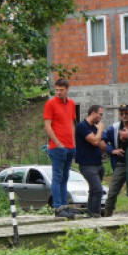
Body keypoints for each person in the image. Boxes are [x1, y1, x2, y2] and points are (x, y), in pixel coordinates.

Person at [43, 78, 78, 218]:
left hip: (70, 146)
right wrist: (58, 143)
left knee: (65, 177)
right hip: (57, 147)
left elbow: (72, 124)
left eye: (61, 90)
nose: (58, 92)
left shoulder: (71, 103)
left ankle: (64, 205)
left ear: (67, 89)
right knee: (57, 177)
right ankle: (58, 207)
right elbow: (47, 125)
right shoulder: (50, 104)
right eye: (56, 90)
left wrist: (74, 143)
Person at [102, 104, 128, 217]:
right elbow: (102, 141)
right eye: (122, 113)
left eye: (126, 113)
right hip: (121, 164)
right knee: (113, 191)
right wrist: (111, 150)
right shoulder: (114, 128)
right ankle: (107, 216)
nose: (124, 116)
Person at [74, 104, 105, 217]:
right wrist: (100, 130)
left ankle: (91, 214)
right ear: (93, 113)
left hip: (98, 163)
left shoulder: (94, 127)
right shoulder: (83, 126)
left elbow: (102, 144)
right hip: (87, 164)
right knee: (98, 190)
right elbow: (95, 141)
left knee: (93, 191)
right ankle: (96, 215)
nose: (101, 117)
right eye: (100, 114)